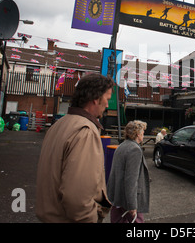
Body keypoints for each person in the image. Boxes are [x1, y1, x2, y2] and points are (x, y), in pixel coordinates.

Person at [35, 73, 114, 223]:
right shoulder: (85, 131)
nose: (108, 105)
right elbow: (77, 197)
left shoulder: (59, 125)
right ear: (96, 99)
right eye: (107, 99)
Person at [107, 120, 150, 223]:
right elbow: (131, 179)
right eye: (142, 133)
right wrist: (132, 205)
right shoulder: (135, 150)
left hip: (117, 196)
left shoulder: (121, 146)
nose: (143, 135)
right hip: (129, 199)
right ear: (138, 134)